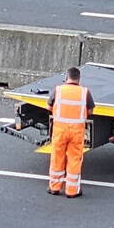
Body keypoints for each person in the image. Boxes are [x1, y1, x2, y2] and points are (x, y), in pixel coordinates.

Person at [47, 66, 95, 198]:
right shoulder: (85, 92)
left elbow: (49, 106)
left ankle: (54, 187)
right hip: (76, 132)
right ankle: (72, 191)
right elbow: (91, 111)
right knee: (74, 159)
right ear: (79, 79)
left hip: (60, 131)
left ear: (66, 78)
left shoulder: (58, 90)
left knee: (57, 157)